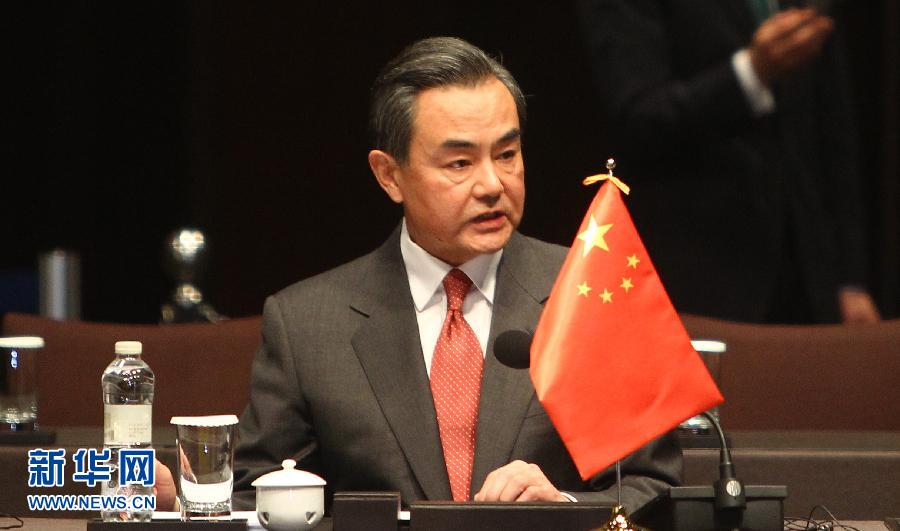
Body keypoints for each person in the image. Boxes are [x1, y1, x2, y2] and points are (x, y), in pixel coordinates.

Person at [156, 36, 680, 513]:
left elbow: (653, 485)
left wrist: (562, 508)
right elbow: (256, 494)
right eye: (459, 164)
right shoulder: (307, 324)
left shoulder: (591, 292)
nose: (492, 184)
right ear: (389, 175)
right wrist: (184, 498)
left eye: (507, 154)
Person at [575, 0, 881, 324]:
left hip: (808, 277)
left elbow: (835, 134)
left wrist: (851, 280)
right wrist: (752, 72)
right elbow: (640, 117)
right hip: (698, 274)